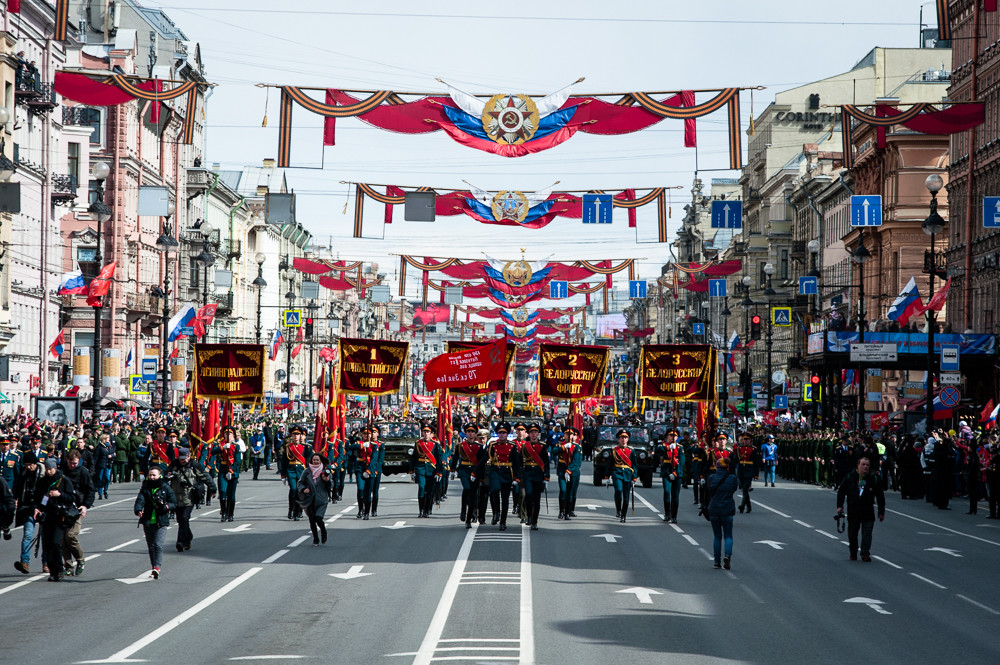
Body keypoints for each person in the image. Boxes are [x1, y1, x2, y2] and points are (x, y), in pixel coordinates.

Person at [32, 458, 77, 581]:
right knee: (47, 545)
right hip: (46, 516)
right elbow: (37, 498)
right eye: (46, 469)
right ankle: (52, 572)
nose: (48, 471)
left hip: (59, 516)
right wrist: (37, 508)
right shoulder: (42, 481)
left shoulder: (63, 480)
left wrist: (59, 495)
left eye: (50, 469)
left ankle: (60, 570)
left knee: (56, 543)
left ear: (55, 468)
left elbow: (72, 497)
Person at [836, 457, 886, 562]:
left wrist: (881, 512)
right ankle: (853, 551)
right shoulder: (850, 477)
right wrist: (840, 506)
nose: (865, 467)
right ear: (858, 465)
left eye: (867, 465)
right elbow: (841, 492)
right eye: (863, 464)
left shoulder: (874, 478)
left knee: (867, 532)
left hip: (868, 511)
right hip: (854, 510)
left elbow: (880, 496)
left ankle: (865, 553)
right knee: (853, 533)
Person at [166, 447, 214, 552]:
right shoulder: (174, 465)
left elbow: (205, 476)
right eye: (181, 458)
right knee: (180, 520)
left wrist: (213, 488)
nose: (182, 461)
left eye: (184, 458)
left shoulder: (194, 465)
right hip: (176, 497)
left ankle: (181, 542)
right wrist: (168, 475)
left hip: (189, 497)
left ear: (189, 456)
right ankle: (188, 537)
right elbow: (165, 476)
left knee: (184, 518)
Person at [134, 466, 177, 579]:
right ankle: (154, 566)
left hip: (161, 520)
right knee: (151, 546)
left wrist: (166, 506)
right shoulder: (145, 488)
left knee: (158, 545)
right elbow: (140, 500)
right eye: (150, 475)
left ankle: (157, 567)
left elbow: (174, 502)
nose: (152, 477)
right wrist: (138, 510)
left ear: (159, 476)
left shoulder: (165, 487)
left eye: (154, 475)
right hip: (148, 520)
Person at [60, 449, 95, 577]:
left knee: (71, 536)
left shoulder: (83, 472)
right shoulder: (62, 471)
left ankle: (80, 560)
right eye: (71, 463)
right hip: (63, 507)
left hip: (76, 509)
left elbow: (90, 490)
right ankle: (68, 566)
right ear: (67, 460)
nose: (73, 465)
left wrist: (85, 506)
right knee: (62, 540)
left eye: (75, 463)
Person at [705, 456, 739, 570]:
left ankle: (716, 561)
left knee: (717, 536)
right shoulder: (732, 478)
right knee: (728, 535)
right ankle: (727, 556)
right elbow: (734, 489)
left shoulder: (711, 478)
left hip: (714, 509)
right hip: (727, 509)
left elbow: (709, 490)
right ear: (727, 467)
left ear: (717, 467)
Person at [488, 423, 520, 530]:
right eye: (500, 433)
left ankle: (503, 521)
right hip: (496, 471)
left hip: (507, 472)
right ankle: (496, 511)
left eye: (504, 433)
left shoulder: (512, 446)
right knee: (495, 490)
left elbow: (516, 463)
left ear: (507, 434)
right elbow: (486, 458)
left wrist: (516, 477)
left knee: (505, 499)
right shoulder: (493, 445)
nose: (502, 435)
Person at [519, 423, 550, 531]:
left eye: (535, 432)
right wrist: (519, 475)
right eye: (532, 432)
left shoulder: (542, 446)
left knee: (536, 499)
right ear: (529, 434)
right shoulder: (524, 446)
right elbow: (520, 461)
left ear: (538, 434)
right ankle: (529, 516)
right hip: (527, 473)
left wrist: (547, 476)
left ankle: (535, 521)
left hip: (538, 474)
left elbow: (546, 462)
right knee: (528, 495)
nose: (533, 434)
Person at [410, 424, 444, 518]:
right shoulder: (418, 443)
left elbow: (439, 459)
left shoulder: (435, 444)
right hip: (420, 468)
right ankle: (421, 510)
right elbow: (414, 457)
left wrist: (439, 472)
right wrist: (411, 470)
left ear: (431, 433)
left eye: (428, 432)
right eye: (424, 432)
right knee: (421, 487)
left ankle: (427, 510)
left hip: (431, 469)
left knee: (430, 490)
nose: (426, 434)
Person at [297, 453, 331, 544]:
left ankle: (323, 531)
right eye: (314, 460)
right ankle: (315, 538)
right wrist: (304, 489)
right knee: (312, 520)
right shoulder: (307, 471)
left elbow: (331, 485)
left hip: (321, 499)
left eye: (317, 460)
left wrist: (327, 480)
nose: (315, 462)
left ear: (320, 461)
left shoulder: (325, 471)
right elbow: (300, 483)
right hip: (310, 499)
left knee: (318, 519)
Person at [212, 426, 242, 522]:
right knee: (223, 492)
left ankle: (230, 514)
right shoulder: (220, 445)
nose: (228, 436)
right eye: (226, 434)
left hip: (233, 471)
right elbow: (212, 452)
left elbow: (238, 461)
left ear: (233, 435)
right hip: (223, 469)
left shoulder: (236, 446)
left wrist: (231, 471)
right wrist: (223, 447)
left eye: (230, 434)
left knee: (231, 495)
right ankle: (224, 513)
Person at [654, 428, 683, 523]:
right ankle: (667, 514)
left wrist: (675, 473)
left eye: (675, 436)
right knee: (667, 492)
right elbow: (657, 450)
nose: (673, 437)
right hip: (666, 472)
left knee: (675, 495)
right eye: (671, 435)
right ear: (667, 437)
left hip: (677, 473)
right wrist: (668, 447)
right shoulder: (663, 446)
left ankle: (674, 516)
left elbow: (682, 462)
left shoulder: (680, 447)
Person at [609, 430, 637, 522]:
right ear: (618, 439)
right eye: (622, 438)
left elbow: (634, 465)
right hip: (617, 473)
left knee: (626, 496)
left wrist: (634, 477)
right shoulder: (614, 450)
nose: (623, 440)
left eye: (625, 438)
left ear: (628, 439)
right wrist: (607, 476)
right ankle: (618, 509)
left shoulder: (631, 450)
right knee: (618, 490)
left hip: (628, 474)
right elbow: (610, 463)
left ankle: (623, 515)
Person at [556, 426, 582, 520]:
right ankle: (561, 510)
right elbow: (554, 451)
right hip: (562, 470)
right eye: (567, 434)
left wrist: (569, 471)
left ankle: (567, 512)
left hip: (572, 472)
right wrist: (563, 447)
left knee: (570, 493)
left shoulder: (577, 447)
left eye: (571, 434)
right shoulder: (560, 444)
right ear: (564, 435)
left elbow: (576, 461)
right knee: (563, 490)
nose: (569, 436)